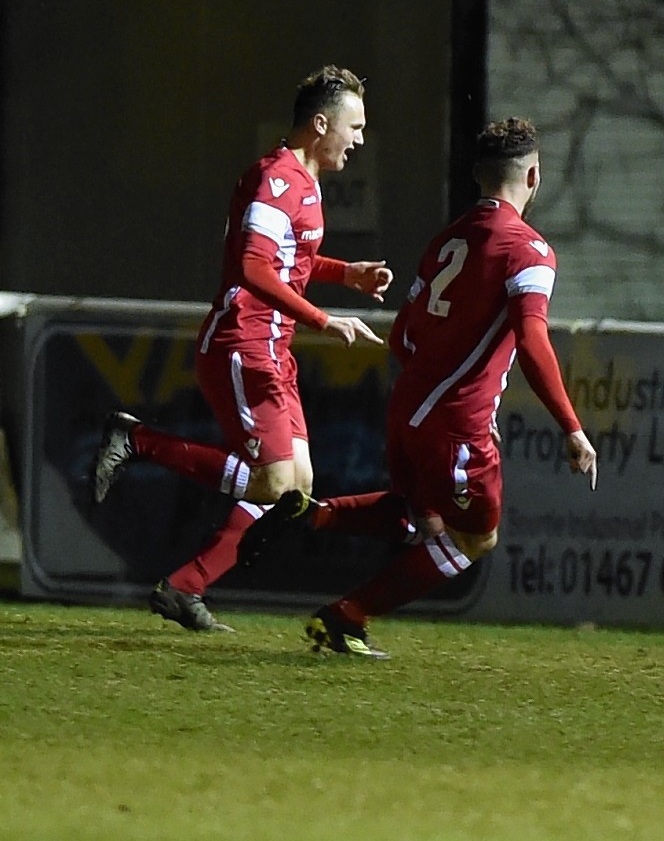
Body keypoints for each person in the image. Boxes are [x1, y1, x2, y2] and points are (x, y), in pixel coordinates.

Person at [239, 117, 598, 658]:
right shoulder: (530, 252)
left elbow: (403, 336)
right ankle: (346, 616)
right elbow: (532, 340)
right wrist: (571, 427)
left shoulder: (446, 240)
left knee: (416, 511)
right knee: (476, 536)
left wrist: (438, 386)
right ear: (533, 179)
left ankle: (307, 513)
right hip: (456, 422)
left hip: (407, 407)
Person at [90, 65, 391, 633]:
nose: (359, 139)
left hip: (272, 349)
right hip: (242, 345)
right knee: (278, 485)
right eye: (354, 126)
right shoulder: (277, 178)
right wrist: (324, 320)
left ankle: (184, 588)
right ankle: (137, 439)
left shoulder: (303, 179)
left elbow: (287, 262)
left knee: (294, 488)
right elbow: (253, 265)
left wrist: (347, 274)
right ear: (320, 123)